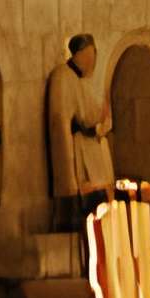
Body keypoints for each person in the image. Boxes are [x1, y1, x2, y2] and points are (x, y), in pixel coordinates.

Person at [46, 32, 113, 246]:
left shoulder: (77, 80)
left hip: (86, 149)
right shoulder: (63, 77)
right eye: (92, 55)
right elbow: (75, 116)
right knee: (86, 202)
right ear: (82, 54)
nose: (94, 61)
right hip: (76, 152)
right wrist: (96, 119)